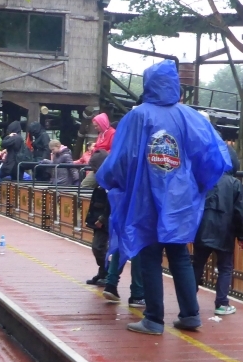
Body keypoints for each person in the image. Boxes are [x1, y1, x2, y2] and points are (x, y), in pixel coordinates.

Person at [97, 59, 228, 335]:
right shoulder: (189, 116)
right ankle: (191, 314)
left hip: (144, 196)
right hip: (180, 199)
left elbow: (121, 158)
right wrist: (198, 185)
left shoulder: (138, 116)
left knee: (149, 254)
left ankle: (154, 318)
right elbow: (212, 155)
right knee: (179, 254)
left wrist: (109, 180)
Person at [193, 146, 243, 317]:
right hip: (225, 231)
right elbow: (241, 212)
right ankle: (222, 303)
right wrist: (242, 236)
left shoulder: (203, 180)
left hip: (202, 230)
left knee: (197, 265)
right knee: (225, 267)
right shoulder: (235, 184)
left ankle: (189, 301)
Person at [84, 150, 110, 285]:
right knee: (100, 247)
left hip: (104, 219)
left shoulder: (109, 180)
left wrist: (102, 219)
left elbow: (111, 202)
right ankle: (103, 272)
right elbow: (85, 184)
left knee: (98, 247)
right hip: (97, 216)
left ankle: (108, 272)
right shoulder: (100, 178)